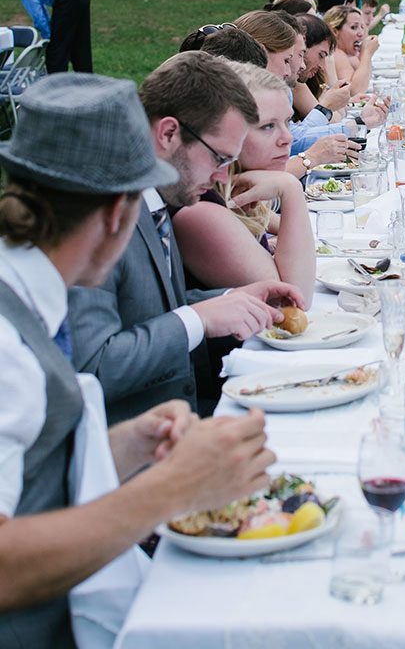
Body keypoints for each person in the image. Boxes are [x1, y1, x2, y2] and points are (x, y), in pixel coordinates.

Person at [0, 74, 275, 647]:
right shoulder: (8, 344)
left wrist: (126, 446)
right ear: (117, 213)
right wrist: (172, 487)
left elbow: (29, 469)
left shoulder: (27, 293)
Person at [68, 52, 304, 423]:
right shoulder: (98, 219)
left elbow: (144, 307)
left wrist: (229, 300)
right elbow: (91, 367)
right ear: (168, 133)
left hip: (187, 419)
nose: (224, 178)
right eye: (219, 159)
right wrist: (197, 319)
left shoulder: (156, 199)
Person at [173, 65, 315, 303]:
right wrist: (291, 189)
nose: (287, 138)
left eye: (287, 122)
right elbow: (295, 300)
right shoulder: (200, 210)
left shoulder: (235, 190)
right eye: (267, 126)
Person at [325, 4, 379, 93]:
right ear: (335, 31)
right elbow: (354, 91)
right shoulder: (335, 53)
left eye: (362, 27)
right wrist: (367, 54)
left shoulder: (349, 54)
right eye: (354, 27)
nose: (361, 33)